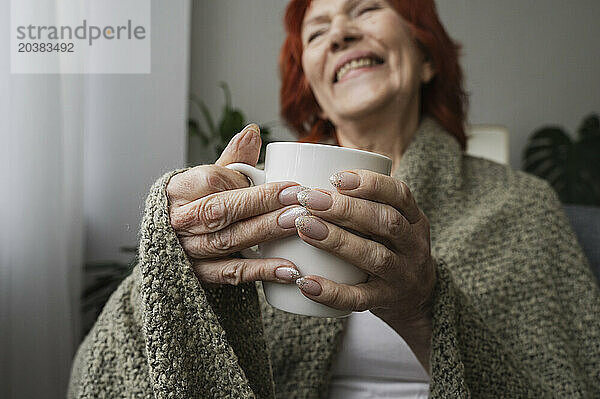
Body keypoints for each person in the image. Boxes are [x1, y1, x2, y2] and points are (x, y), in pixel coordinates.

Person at [68, 0, 600, 398]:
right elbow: (105, 371)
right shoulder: (254, 200)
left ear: (426, 56)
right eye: (317, 33)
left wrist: (422, 308)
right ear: (313, 84)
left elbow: (564, 382)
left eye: (366, 8)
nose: (340, 33)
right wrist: (178, 250)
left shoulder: (519, 204)